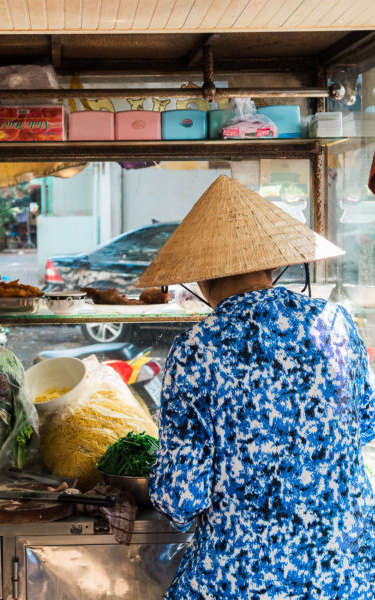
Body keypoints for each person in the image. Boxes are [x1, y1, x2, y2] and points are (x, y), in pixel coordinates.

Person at [137, 175, 375, 599]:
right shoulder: (337, 323)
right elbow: (363, 427)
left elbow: (180, 496)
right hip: (347, 572)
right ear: (272, 265)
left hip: (242, 580)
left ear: (202, 279)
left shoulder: (198, 348)